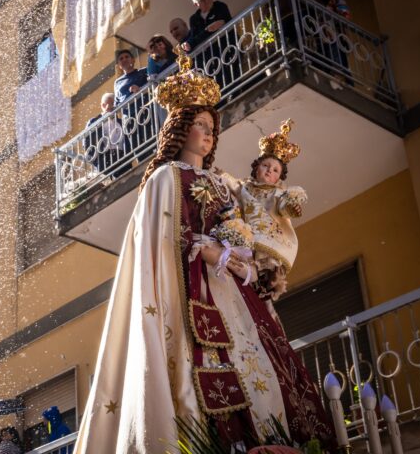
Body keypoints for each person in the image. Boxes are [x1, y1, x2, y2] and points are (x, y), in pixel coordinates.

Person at [72, 54, 334, 453]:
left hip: (233, 288)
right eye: (200, 125)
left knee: (264, 364)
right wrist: (206, 250)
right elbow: (166, 235)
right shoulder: (165, 177)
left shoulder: (223, 181)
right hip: (190, 291)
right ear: (180, 129)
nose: (208, 134)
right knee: (205, 371)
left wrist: (243, 254)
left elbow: (245, 221)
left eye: (212, 127)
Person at [219, 119, 307, 327]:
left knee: (266, 276)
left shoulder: (279, 194)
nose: (269, 171)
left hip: (270, 241)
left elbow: (286, 205)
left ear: (279, 178)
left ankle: (267, 303)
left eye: (275, 170)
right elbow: (233, 185)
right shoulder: (246, 188)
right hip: (248, 238)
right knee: (246, 272)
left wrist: (292, 208)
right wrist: (220, 174)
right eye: (265, 166)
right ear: (256, 168)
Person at [185, 0, 240, 90]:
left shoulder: (220, 6)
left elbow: (222, 23)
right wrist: (205, 32)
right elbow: (195, 38)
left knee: (235, 78)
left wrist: (203, 34)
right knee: (220, 86)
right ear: (196, 4)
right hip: (212, 59)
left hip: (229, 49)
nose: (206, 0)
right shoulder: (194, 19)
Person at [83, 93, 127, 176]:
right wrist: (96, 161)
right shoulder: (94, 121)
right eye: (111, 105)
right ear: (103, 105)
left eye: (114, 105)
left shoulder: (121, 122)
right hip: (105, 158)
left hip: (122, 157)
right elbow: (87, 143)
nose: (113, 108)